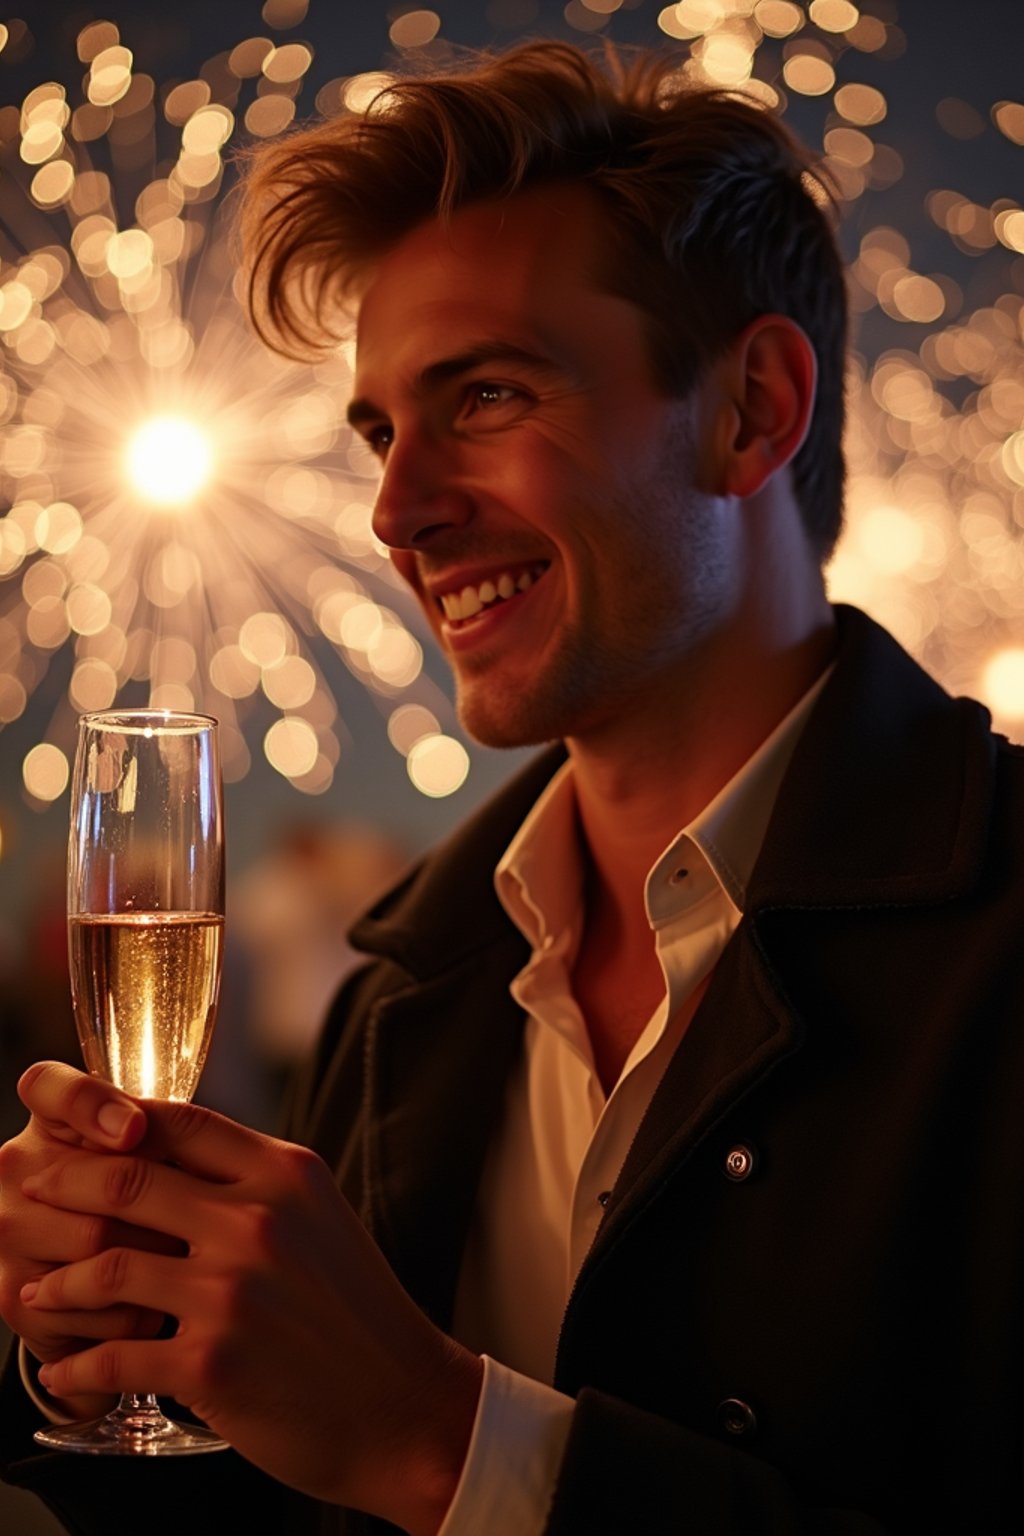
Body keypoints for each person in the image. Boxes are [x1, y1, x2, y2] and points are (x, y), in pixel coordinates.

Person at [1, 40, 1022, 1536]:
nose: (397, 511)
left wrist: (440, 1436)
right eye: (378, 430)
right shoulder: (405, 1002)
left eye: (483, 395)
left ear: (751, 409)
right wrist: (110, 1354)